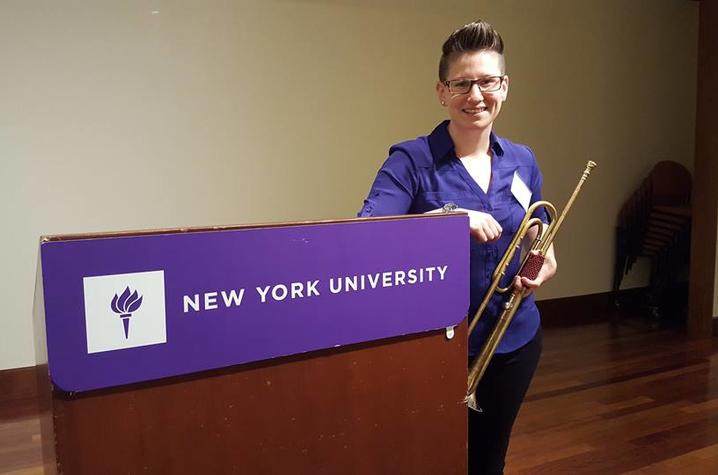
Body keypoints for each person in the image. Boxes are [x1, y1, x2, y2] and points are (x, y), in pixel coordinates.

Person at [357, 20, 557, 474]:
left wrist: (546, 258)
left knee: (489, 460)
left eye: (487, 82)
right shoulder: (411, 159)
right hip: (435, 346)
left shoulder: (522, 159)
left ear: (504, 87)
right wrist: (450, 220)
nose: (476, 95)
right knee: (431, 458)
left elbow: (538, 228)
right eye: (462, 83)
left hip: (514, 341)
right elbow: (366, 233)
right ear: (442, 92)